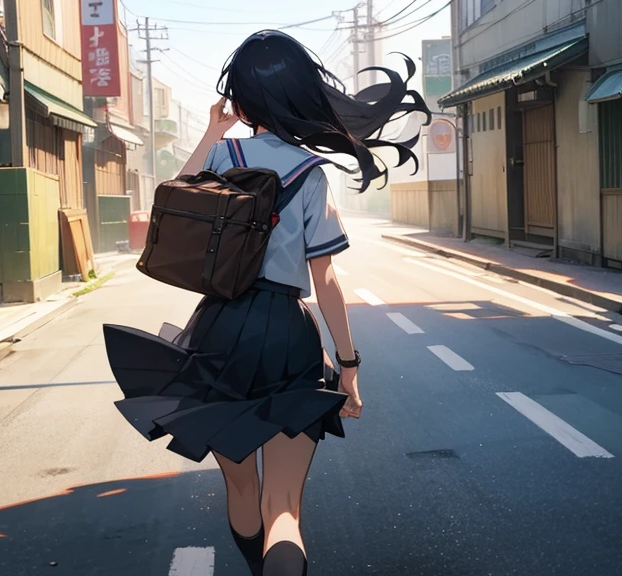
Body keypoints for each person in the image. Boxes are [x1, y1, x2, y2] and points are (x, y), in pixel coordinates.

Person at [102, 30, 429, 576]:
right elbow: (326, 282)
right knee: (284, 509)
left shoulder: (220, 156)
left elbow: (172, 211)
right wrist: (348, 368)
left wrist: (212, 130)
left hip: (218, 332)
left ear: (242, 97)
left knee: (241, 491)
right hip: (287, 335)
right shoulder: (309, 173)